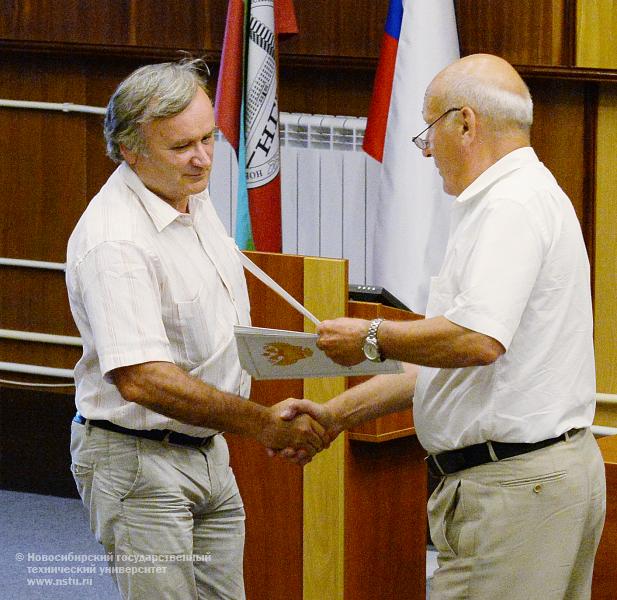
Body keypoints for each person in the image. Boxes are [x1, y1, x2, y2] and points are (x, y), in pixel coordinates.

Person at [279, 54, 606, 600]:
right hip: (536, 483)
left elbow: (477, 341)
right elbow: (441, 369)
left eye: (429, 132)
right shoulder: (520, 195)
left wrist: (369, 335)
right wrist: (336, 415)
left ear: (466, 123)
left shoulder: (510, 205)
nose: (427, 152)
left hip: (512, 493)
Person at [66, 58, 326, 600]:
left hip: (208, 452)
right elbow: (143, 379)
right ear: (131, 150)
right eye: (182, 146)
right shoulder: (116, 240)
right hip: (138, 460)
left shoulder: (190, 193)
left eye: (208, 138)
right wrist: (261, 424)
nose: (203, 159)